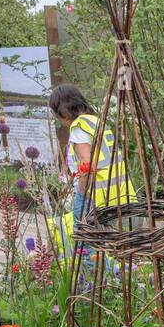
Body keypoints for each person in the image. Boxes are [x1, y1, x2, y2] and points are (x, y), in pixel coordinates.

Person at [48, 84, 135, 226]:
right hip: (117, 191)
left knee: (86, 244)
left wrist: (81, 195)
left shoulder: (79, 128)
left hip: (93, 196)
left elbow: (87, 166)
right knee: (108, 240)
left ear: (62, 110)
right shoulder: (96, 122)